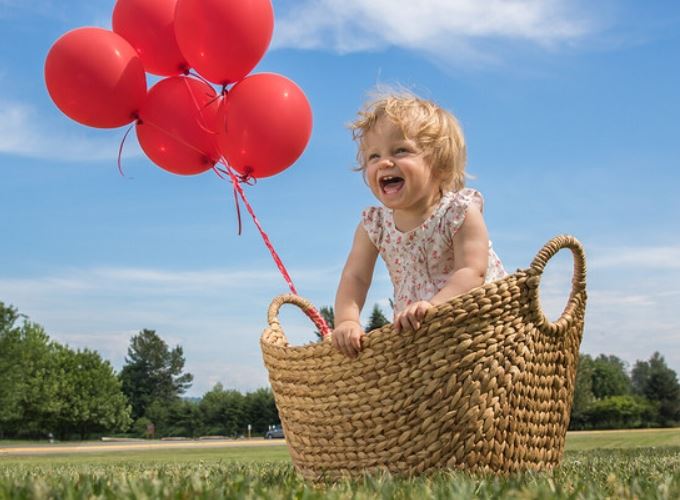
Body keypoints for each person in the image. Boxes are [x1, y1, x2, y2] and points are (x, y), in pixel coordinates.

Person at [332, 90, 507, 358]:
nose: (385, 162)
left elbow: (472, 271)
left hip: (479, 322)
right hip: (417, 328)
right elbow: (355, 277)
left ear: (439, 164)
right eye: (373, 156)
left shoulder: (458, 211)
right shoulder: (375, 225)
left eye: (401, 150)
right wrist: (347, 320)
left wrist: (434, 306)